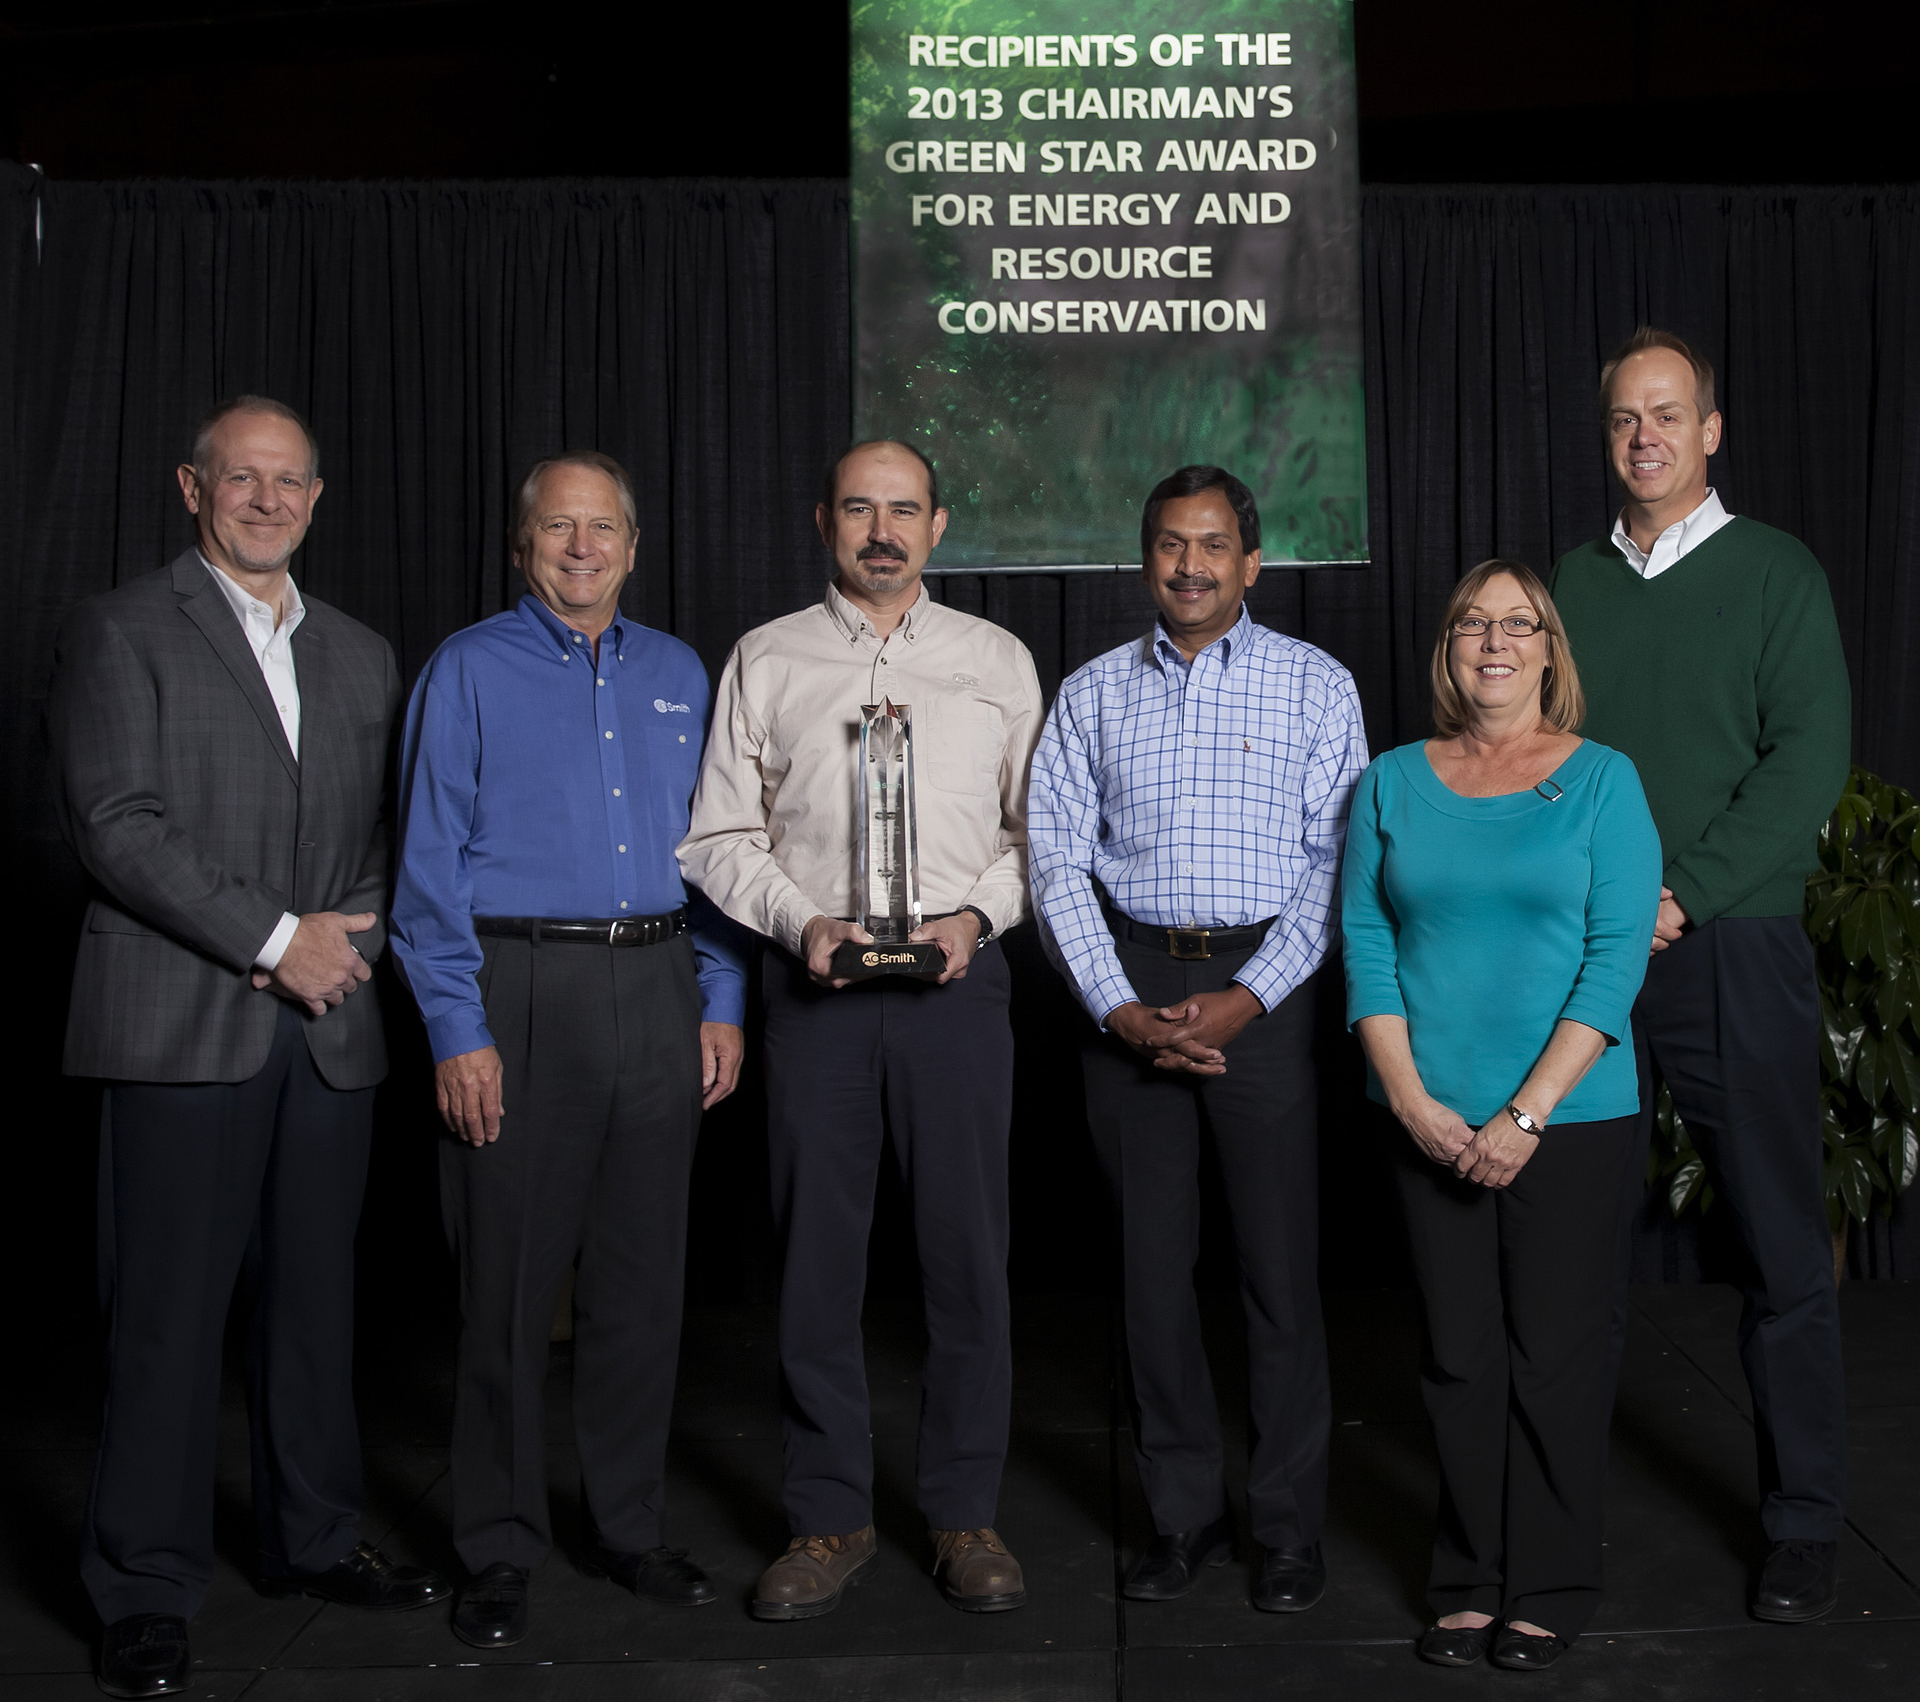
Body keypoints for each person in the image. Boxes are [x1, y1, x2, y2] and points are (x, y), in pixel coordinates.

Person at [47, 396, 447, 1701]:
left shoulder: (364, 651)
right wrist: (279, 936)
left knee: (313, 1312)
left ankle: (313, 1537)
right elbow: (117, 822)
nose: (267, 500)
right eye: (242, 479)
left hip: (331, 1029)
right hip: (182, 1026)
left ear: (318, 499)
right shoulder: (121, 629)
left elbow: (397, 831)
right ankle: (145, 1587)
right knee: (165, 1322)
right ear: (192, 487)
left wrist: (354, 943)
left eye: (289, 482)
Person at [679, 439, 1043, 1620]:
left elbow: (1041, 837)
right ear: (823, 520)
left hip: (955, 994)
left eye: (903, 510)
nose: (880, 530)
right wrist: (801, 924)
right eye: (857, 508)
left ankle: (963, 1512)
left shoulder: (996, 660)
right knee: (816, 1268)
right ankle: (827, 1517)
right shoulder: (766, 658)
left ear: (940, 526)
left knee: (967, 1262)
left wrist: (975, 918)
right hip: (820, 1001)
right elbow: (718, 839)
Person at [390, 451, 746, 1650]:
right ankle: (496, 1542)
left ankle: (628, 1525)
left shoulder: (681, 672)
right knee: (507, 1280)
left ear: (634, 547)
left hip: (655, 983)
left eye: (603, 528)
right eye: (558, 528)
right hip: (518, 982)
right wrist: (458, 1027)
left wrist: (723, 996)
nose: (581, 547)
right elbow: (425, 867)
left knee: (643, 1280)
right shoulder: (466, 670)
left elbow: (713, 851)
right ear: (521, 544)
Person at [1550, 327, 1853, 1623]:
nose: (1646, 438)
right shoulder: (1567, 580)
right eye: (1626, 418)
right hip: (1592, 955)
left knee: (1783, 1246)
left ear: (1711, 430)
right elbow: (1537, 757)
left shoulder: (1778, 573)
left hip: (1734, 946)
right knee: (1571, 1252)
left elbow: (1808, 763)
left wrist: (1682, 892)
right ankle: (1555, 1519)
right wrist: (1607, 910)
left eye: (1669, 415)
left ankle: (1804, 1526)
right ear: (1606, 432)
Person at [1026, 465, 1367, 1612]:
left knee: (1278, 1275)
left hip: (1264, 994)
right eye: (1170, 545)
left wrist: (1252, 995)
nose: (1190, 565)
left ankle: (1286, 1526)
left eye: (1213, 545)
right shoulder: (1088, 695)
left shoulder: (1319, 687)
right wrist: (1115, 1004)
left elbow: (1337, 864)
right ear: (1145, 561)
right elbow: (1056, 862)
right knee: (1149, 1279)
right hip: (1125, 988)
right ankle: (1179, 1515)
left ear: (1252, 561)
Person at [1342, 559, 1661, 1670]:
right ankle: (1469, 1578)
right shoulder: (1389, 781)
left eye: (1516, 623)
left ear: (1547, 648)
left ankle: (1554, 1580)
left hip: (1569, 1119)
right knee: (1457, 1358)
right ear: (1449, 647)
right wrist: (1415, 1101)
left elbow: (1617, 958)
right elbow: (1369, 951)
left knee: (1555, 1356)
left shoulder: (1606, 781)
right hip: (1426, 1114)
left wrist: (1524, 1114)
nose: (1493, 640)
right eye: (1473, 622)